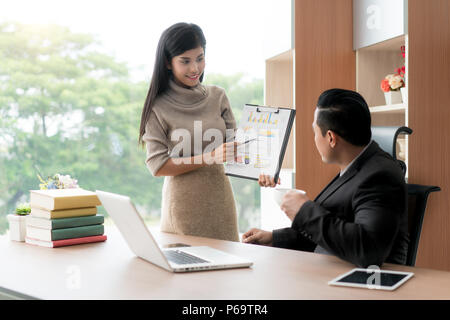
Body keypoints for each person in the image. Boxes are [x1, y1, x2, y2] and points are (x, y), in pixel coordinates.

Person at [243, 88, 409, 267]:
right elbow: (331, 232)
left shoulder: (379, 176)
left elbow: (367, 248)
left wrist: (304, 212)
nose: (314, 138)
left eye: (315, 132)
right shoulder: (356, 166)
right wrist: (274, 238)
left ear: (331, 138)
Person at [138, 23, 240, 242]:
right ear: (167, 62)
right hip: (182, 210)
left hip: (222, 206)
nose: (195, 68)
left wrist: (266, 171)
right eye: (185, 61)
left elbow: (237, 151)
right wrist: (210, 157)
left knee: (229, 272)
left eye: (200, 58)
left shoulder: (218, 96)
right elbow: (158, 166)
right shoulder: (158, 107)